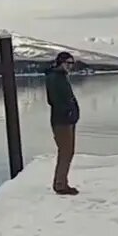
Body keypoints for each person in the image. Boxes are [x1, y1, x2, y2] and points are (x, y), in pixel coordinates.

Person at [45, 51, 80, 195]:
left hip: (67, 120)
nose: (70, 66)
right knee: (65, 151)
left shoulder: (61, 76)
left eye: (72, 63)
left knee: (67, 151)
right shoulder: (55, 78)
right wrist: (68, 111)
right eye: (68, 63)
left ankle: (61, 182)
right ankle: (60, 184)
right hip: (61, 121)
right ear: (61, 62)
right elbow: (54, 100)